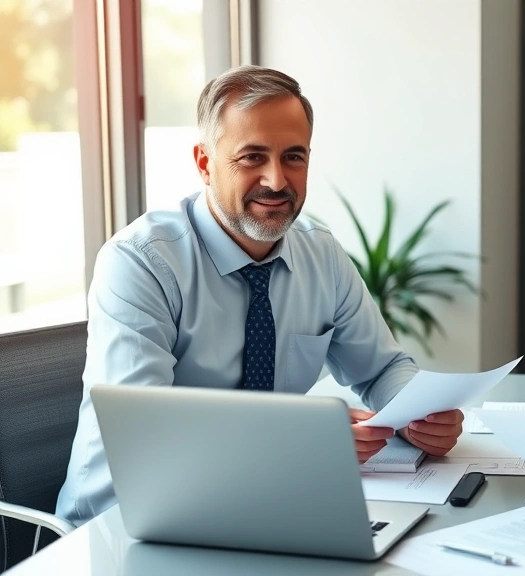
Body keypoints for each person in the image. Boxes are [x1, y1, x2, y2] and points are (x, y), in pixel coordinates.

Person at [56, 65, 464, 526]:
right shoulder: (140, 262)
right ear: (205, 163)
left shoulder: (321, 253)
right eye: (252, 157)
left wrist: (417, 413)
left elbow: (384, 368)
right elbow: (147, 431)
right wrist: (296, 440)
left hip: (259, 504)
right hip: (124, 523)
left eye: (293, 157)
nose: (276, 180)